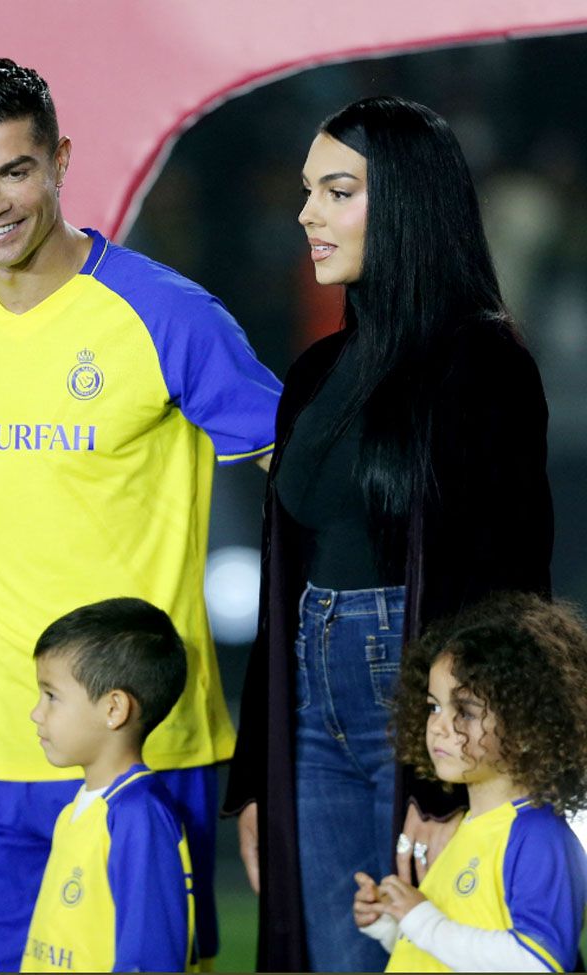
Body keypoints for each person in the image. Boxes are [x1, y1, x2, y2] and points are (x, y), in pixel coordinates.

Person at [0, 58, 281, 970]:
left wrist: (279, 738)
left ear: (61, 161)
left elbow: (304, 483)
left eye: (14, 171)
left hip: (147, 743)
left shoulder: (168, 314)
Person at [224, 96, 554, 972]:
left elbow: (511, 588)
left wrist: (454, 777)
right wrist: (258, 772)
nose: (307, 215)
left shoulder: (485, 363)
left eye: (337, 191)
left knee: (428, 957)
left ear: (405, 202)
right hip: (308, 706)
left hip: (418, 707)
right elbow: (277, 581)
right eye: (308, 191)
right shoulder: (315, 373)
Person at [353, 592, 587, 972]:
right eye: (434, 706)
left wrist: (422, 920)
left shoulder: (540, 836)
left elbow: (537, 962)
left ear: (529, 725)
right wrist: (392, 923)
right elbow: (455, 944)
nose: (439, 726)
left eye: (465, 710)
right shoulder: (462, 829)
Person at [22, 598, 196, 973]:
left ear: (114, 709)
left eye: (51, 696)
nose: (37, 713)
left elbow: (151, 957)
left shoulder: (138, 814)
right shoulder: (77, 810)